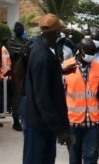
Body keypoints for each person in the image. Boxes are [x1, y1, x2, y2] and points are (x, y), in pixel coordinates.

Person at [23, 13, 70, 164]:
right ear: (56, 32)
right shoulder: (42, 56)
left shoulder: (40, 48)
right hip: (40, 122)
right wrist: (59, 130)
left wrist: (60, 71)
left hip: (43, 121)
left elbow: (44, 78)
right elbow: (43, 97)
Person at [62, 38, 99, 164]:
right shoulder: (66, 66)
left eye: (93, 53)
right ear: (80, 51)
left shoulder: (98, 67)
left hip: (93, 123)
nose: (91, 57)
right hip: (73, 122)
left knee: (91, 159)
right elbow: (60, 95)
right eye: (88, 53)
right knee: (74, 159)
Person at [6, 22, 29, 131]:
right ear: (15, 30)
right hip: (15, 72)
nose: (20, 29)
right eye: (18, 28)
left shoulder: (26, 42)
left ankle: (23, 118)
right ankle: (16, 121)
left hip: (26, 72)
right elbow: (14, 54)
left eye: (21, 27)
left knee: (25, 96)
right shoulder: (11, 41)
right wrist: (22, 52)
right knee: (16, 96)